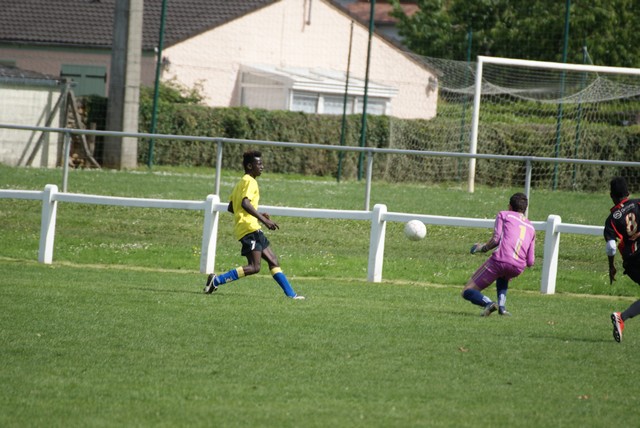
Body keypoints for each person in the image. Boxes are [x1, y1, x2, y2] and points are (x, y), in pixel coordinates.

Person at [204, 150, 304, 300]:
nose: (262, 166)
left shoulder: (240, 183)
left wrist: (258, 214)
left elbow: (232, 207)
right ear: (250, 166)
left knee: (273, 260)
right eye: (259, 164)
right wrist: (265, 220)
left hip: (252, 227)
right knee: (254, 267)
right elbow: (245, 203)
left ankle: (292, 295)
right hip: (249, 229)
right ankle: (216, 280)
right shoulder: (251, 182)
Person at [462, 192, 536, 316]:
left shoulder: (504, 215)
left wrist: (482, 248)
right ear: (525, 209)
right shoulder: (531, 228)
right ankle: (502, 308)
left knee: (467, 291)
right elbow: (530, 262)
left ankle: (489, 303)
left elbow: (496, 239)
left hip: (500, 261)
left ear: (510, 206)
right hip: (517, 267)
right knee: (503, 275)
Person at [604, 176, 640, 342]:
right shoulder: (638, 203)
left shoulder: (611, 220)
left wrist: (611, 267)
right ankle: (621, 317)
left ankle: (622, 318)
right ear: (628, 192)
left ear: (612, 196)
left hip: (631, 263)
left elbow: (611, 247)